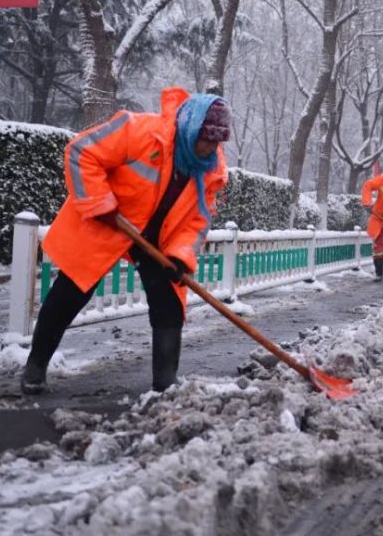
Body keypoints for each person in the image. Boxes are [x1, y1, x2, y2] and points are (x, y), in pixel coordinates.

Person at [21, 88, 230, 395]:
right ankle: (35, 367)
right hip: (110, 219)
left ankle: (165, 385)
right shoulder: (139, 130)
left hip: (158, 239)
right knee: (71, 291)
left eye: (216, 141)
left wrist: (180, 255)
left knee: (169, 303)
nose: (209, 147)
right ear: (190, 126)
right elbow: (81, 152)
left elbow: (198, 219)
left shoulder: (211, 169)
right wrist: (99, 202)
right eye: (205, 137)